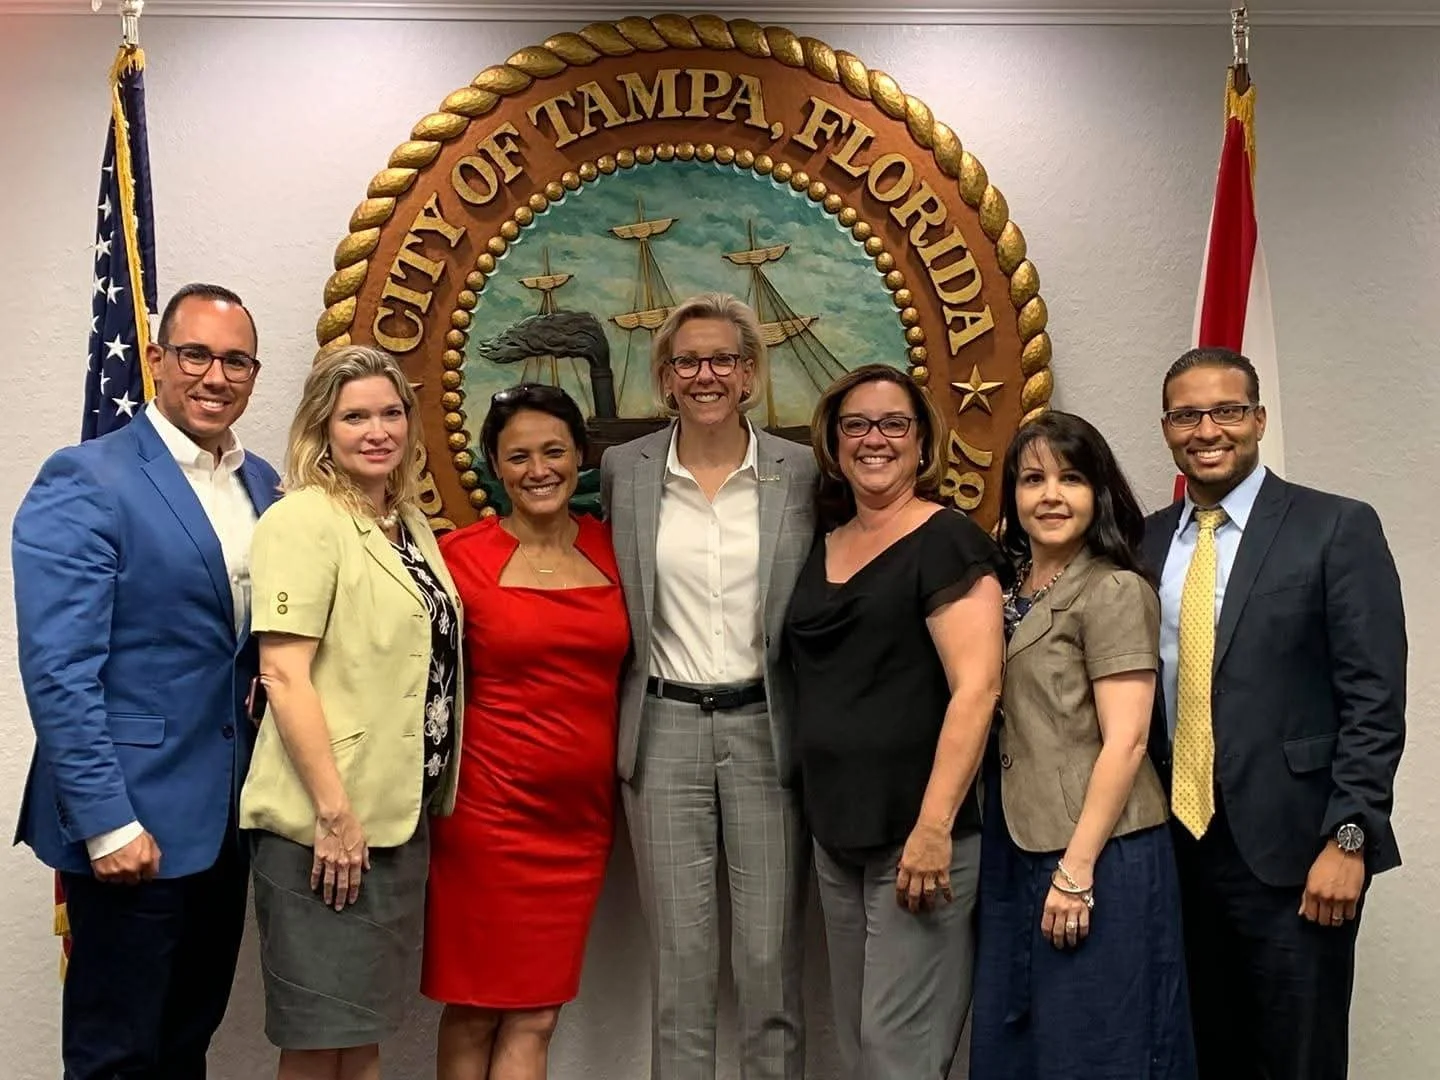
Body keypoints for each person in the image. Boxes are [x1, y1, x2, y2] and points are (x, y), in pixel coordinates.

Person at [13, 283, 279, 1079]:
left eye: (236, 360)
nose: (215, 376)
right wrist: (105, 823)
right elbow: (60, 668)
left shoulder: (263, 483)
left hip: (227, 824)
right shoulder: (86, 478)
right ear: (158, 360)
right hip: (132, 825)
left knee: (184, 1046)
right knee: (114, 1059)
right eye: (195, 353)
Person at [1143, 347, 1406, 1080]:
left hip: (1297, 856)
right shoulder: (1144, 539)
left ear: (1258, 418)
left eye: (1226, 410)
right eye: (1187, 414)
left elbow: (1375, 700)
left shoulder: (1336, 527)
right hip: (1174, 851)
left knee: (1298, 1061)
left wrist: (1349, 838)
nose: (1207, 429)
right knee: (1200, 1054)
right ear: (1166, 427)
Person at [600, 293, 816, 1080]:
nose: (706, 375)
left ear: (750, 373)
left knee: (769, 965)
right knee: (681, 972)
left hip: (768, 730)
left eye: (723, 359)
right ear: (664, 377)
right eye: (687, 361)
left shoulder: (799, 472)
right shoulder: (625, 470)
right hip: (663, 735)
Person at [239, 344, 463, 1080]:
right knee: (315, 1038)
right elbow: (282, 672)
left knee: (360, 1032)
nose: (378, 430)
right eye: (355, 415)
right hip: (323, 825)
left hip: (394, 817)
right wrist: (334, 814)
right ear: (322, 429)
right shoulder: (303, 519)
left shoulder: (409, 526)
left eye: (391, 412)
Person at [784, 363, 1006, 1080]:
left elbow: (979, 688)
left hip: (920, 835)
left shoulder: (946, 540)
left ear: (921, 444)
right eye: (857, 425)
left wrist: (935, 826)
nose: (873, 439)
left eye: (892, 425)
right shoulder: (822, 542)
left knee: (898, 1054)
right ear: (833, 441)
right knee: (854, 1043)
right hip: (837, 831)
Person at [969, 410, 1196, 1078]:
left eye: (1071, 478)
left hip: (1098, 855)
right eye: (1033, 479)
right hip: (1016, 846)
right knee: (1023, 1046)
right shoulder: (1005, 592)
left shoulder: (1116, 589)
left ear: (1098, 491)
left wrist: (1078, 869)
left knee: (1100, 1046)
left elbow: (1126, 742)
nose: (1051, 495)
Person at [424, 383, 629, 1079]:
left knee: (539, 1011)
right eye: (519, 456)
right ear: (493, 464)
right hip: (486, 820)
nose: (539, 469)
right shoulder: (459, 559)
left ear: (581, 457)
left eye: (554, 451)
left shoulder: (617, 549)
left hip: (579, 822)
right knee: (477, 1006)